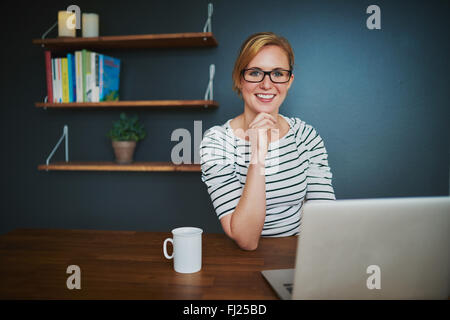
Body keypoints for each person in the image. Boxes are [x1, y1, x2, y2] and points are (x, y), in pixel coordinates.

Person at [200, 32, 335, 251]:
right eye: (255, 73)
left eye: (278, 73)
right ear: (238, 78)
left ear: (289, 81)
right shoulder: (216, 142)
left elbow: (325, 220)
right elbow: (247, 240)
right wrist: (258, 155)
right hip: (243, 261)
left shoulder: (306, 136)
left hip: (300, 253)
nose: (266, 84)